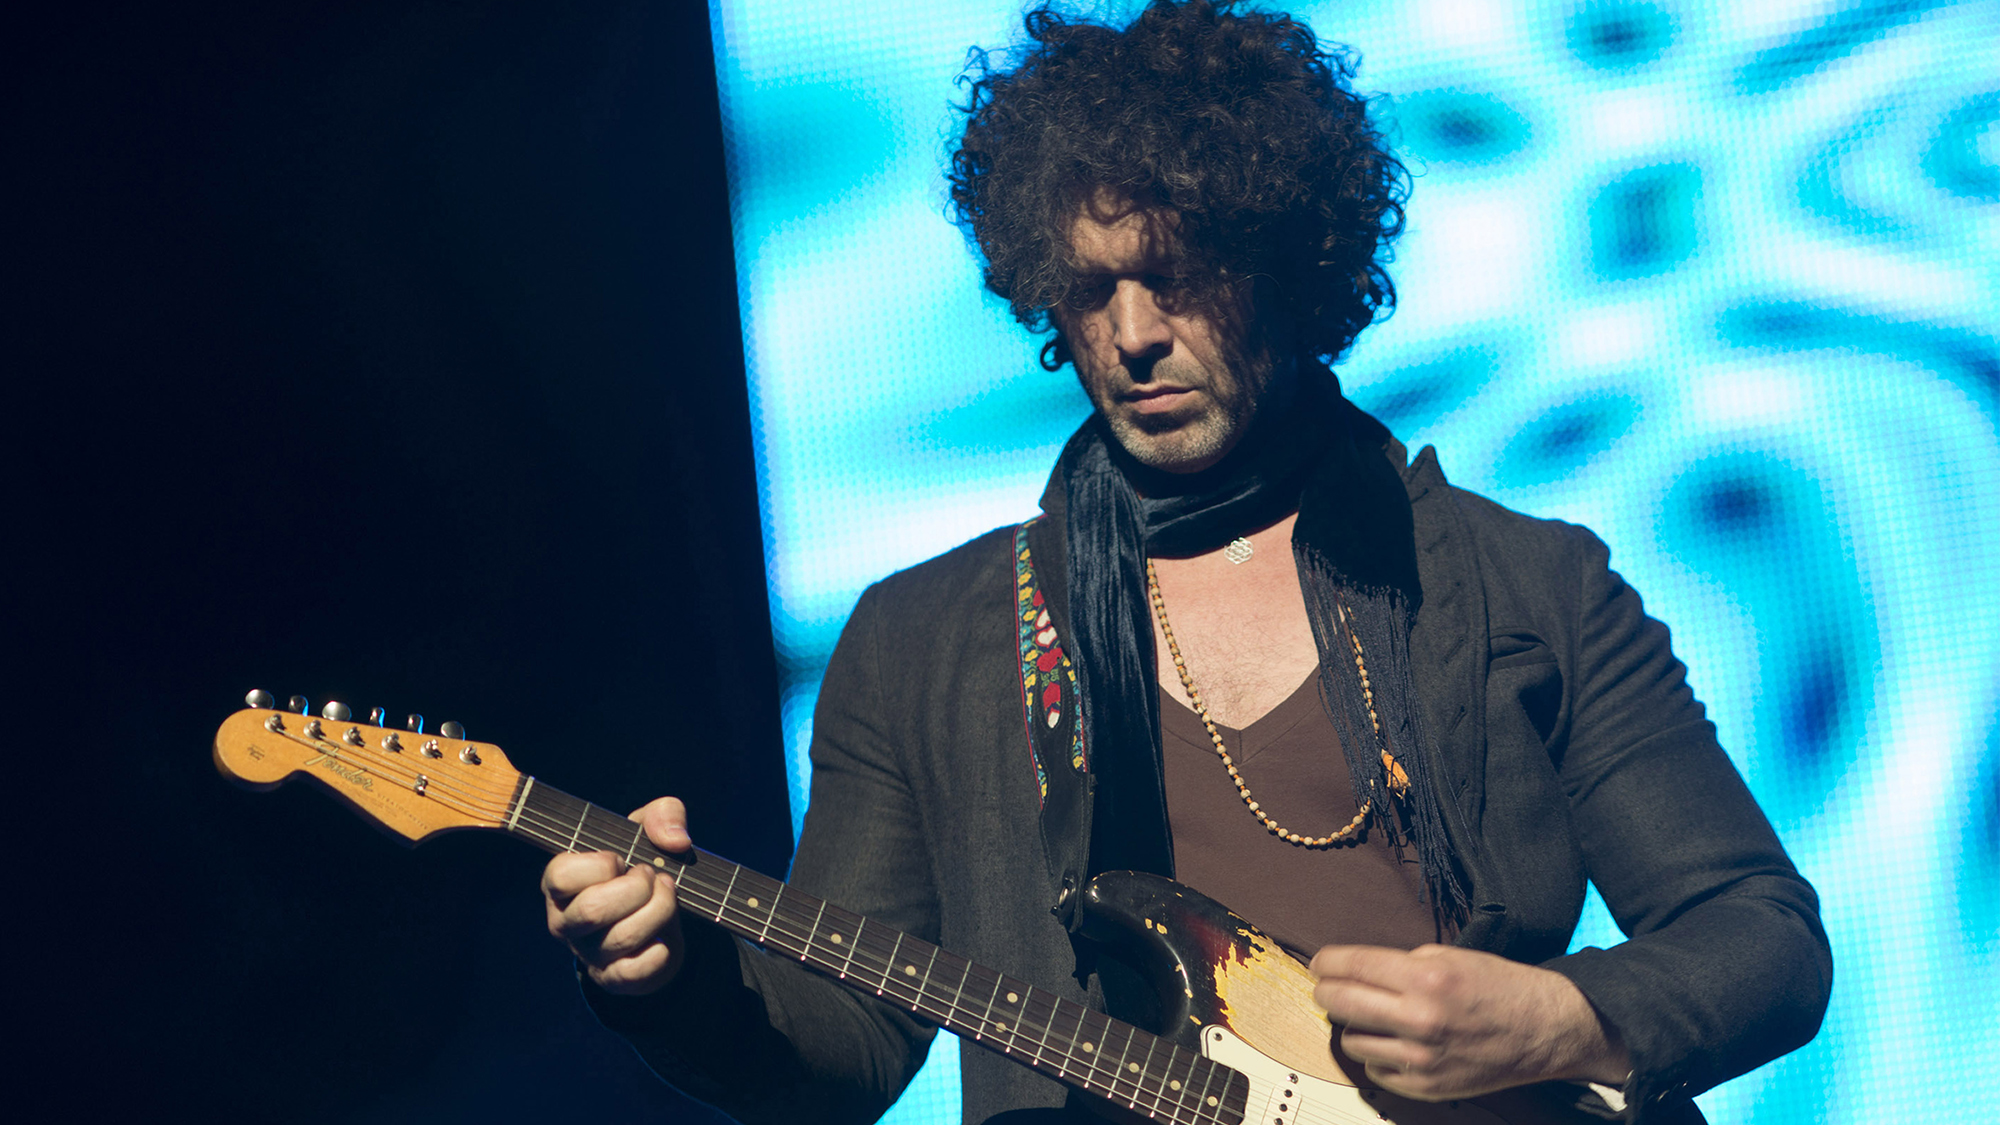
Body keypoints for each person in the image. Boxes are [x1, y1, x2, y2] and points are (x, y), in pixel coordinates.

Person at [540, 3, 1830, 1123]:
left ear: (1285, 263)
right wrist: (675, 984)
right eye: (1091, 291)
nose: (1135, 336)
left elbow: (1761, 939)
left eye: (1178, 275)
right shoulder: (928, 639)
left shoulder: (1530, 584)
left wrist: (1557, 1021)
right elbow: (843, 1059)